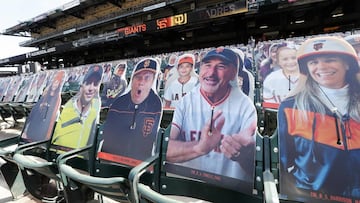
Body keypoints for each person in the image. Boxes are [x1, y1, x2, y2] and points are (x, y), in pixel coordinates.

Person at [278, 36, 360, 201]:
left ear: (347, 64)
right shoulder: (290, 107)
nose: (321, 67)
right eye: (313, 62)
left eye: (330, 60)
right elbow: (285, 161)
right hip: (311, 197)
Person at [166, 47, 257, 193]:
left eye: (221, 66)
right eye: (207, 65)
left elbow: (252, 167)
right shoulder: (186, 102)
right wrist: (198, 148)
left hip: (228, 191)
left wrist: (243, 154)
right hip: (185, 187)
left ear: (234, 73)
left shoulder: (245, 106)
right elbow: (167, 149)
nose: (211, 73)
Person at [98, 57, 162, 163]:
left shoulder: (155, 103)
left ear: (152, 82)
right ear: (132, 79)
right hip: (111, 162)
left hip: (139, 167)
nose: (141, 82)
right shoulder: (118, 103)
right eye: (138, 77)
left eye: (147, 78)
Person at [51, 65, 103, 149]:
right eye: (88, 83)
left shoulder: (95, 107)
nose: (91, 88)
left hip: (82, 158)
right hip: (61, 155)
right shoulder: (69, 107)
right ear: (82, 86)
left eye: (95, 84)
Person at [22, 70, 66, 142]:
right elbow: (34, 112)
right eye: (54, 82)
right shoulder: (45, 95)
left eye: (57, 83)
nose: (55, 85)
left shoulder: (57, 98)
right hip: (36, 123)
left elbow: (52, 117)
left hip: (44, 126)